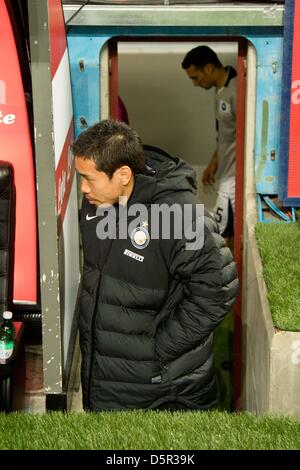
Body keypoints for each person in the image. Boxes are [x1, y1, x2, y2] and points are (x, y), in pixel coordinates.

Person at [71, 119, 239, 412]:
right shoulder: (96, 202)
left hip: (160, 393)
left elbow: (219, 288)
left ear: (123, 174)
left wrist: (159, 350)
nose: (83, 188)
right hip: (106, 382)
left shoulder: (178, 216)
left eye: (89, 178)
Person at [182, 46, 237, 240]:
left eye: (195, 78)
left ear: (208, 68)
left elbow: (245, 135)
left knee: (221, 233)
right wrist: (214, 161)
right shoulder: (220, 91)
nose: (195, 84)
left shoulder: (237, 90)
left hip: (234, 178)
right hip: (225, 172)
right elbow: (227, 135)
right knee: (224, 231)